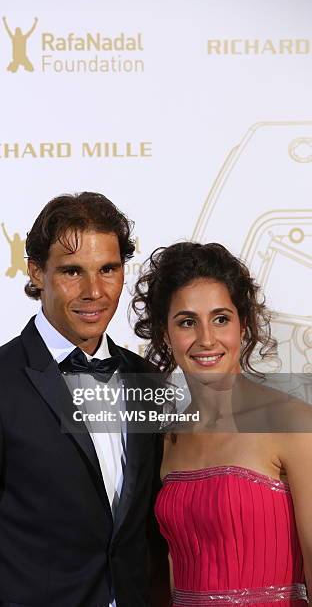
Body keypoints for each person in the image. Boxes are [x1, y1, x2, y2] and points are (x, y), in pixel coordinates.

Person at [0, 192, 169, 607]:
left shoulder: (146, 380)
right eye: (73, 271)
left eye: (108, 269)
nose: (95, 291)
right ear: (36, 272)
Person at [132, 241, 312, 606]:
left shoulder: (291, 422)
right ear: (165, 334)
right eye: (186, 322)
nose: (206, 339)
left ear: (242, 324)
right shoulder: (168, 438)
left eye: (220, 318)